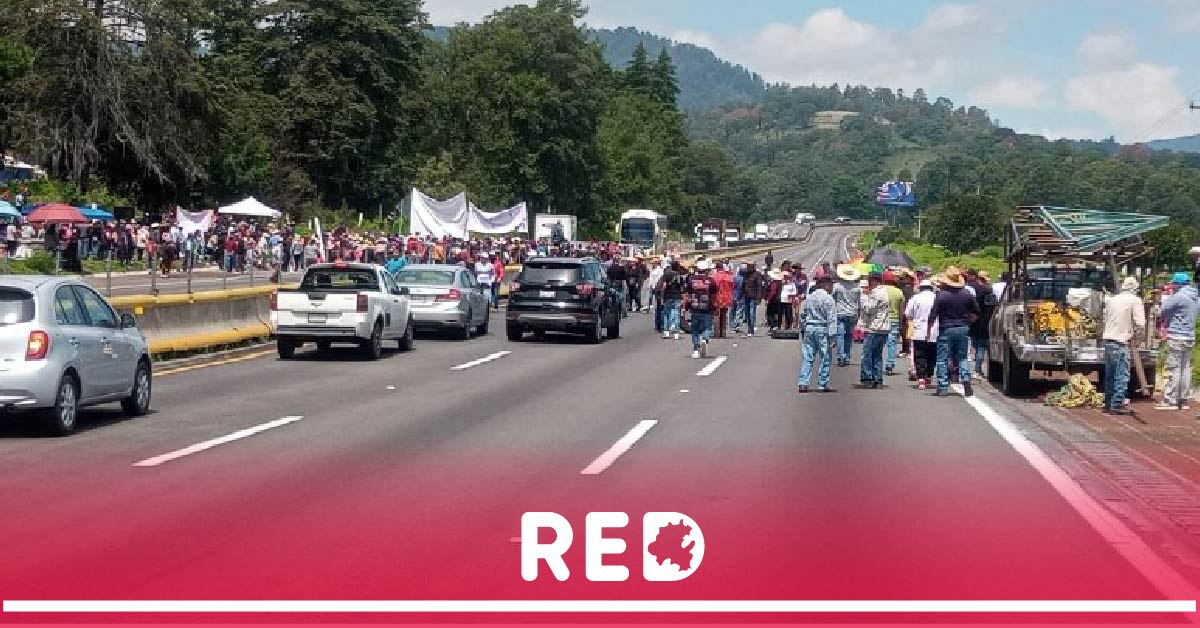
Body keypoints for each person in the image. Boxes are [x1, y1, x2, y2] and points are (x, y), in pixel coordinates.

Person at [928, 266, 979, 397]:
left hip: (946, 328)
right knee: (962, 356)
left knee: (942, 359)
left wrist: (929, 329)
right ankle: (966, 379)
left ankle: (943, 386)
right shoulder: (966, 294)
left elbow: (933, 313)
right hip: (962, 328)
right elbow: (976, 311)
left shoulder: (941, 295)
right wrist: (969, 320)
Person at [1102, 276, 1146, 415]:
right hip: (1120, 341)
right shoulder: (1135, 300)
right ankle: (1117, 403)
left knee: (1110, 374)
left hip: (1108, 340)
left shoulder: (1114, 299)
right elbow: (1141, 323)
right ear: (1135, 288)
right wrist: (1137, 339)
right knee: (1122, 374)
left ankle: (1109, 402)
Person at [1158, 272, 1198, 411]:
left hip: (1177, 335)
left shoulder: (1178, 296)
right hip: (1190, 336)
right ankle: (1183, 399)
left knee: (1174, 368)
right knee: (1185, 368)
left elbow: (1163, 311)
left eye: (1174, 283)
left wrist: (1167, 298)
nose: (1172, 286)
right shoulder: (1195, 297)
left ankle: (1171, 400)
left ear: (1179, 284)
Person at [798, 275, 838, 393]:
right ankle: (822, 384)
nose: (832, 287)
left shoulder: (809, 298)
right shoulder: (828, 299)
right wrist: (832, 336)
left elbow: (802, 315)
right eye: (831, 285)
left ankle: (803, 382)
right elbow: (832, 318)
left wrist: (804, 328)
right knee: (825, 357)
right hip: (822, 328)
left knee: (808, 356)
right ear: (825, 285)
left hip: (810, 327)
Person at [858, 271, 891, 389]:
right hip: (882, 327)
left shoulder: (876, 293)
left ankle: (868, 377)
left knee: (867, 354)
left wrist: (863, 296)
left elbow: (868, 309)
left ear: (874, 280)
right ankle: (877, 377)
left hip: (875, 327)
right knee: (877, 354)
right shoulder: (883, 292)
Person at [904, 278, 939, 390]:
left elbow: (908, 314)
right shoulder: (936, 298)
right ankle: (929, 376)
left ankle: (921, 379)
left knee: (920, 355)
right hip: (934, 330)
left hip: (919, 330)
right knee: (932, 355)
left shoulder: (916, 298)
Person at [684, 259, 718, 359]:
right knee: (707, 327)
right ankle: (705, 339)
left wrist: (685, 307)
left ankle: (696, 349)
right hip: (707, 308)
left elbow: (688, 294)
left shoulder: (692, 280)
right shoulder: (710, 281)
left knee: (695, 329)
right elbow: (714, 294)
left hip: (694, 307)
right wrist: (715, 307)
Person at [832, 264, 861, 367]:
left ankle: (841, 356)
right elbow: (860, 302)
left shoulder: (837, 286)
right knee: (849, 336)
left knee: (840, 335)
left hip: (840, 312)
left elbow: (832, 298)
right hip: (852, 313)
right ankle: (847, 356)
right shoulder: (857, 288)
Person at [881, 270, 905, 376]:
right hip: (894, 320)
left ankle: (879, 365)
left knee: (880, 343)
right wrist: (901, 324)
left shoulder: (880, 290)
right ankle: (890, 364)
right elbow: (901, 310)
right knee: (892, 344)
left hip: (881, 320)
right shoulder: (898, 292)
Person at [661, 259, 686, 340]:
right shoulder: (679, 276)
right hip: (677, 296)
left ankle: (666, 331)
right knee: (676, 314)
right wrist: (683, 299)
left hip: (668, 295)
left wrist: (662, 296)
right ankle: (676, 332)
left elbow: (664, 286)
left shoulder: (667, 274)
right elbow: (682, 288)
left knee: (666, 313)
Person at [713, 261, 735, 339]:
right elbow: (732, 287)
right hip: (727, 298)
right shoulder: (729, 276)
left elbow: (713, 288)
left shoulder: (715, 277)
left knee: (716, 316)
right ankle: (723, 333)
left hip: (718, 298)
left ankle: (717, 333)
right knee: (724, 315)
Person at [740, 262, 762, 337]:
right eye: (748, 266)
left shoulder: (757, 275)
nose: (748, 267)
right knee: (747, 314)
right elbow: (743, 285)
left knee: (752, 313)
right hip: (746, 296)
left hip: (753, 297)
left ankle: (751, 330)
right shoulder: (746, 274)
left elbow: (759, 287)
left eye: (750, 266)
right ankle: (749, 328)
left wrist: (758, 298)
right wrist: (740, 295)